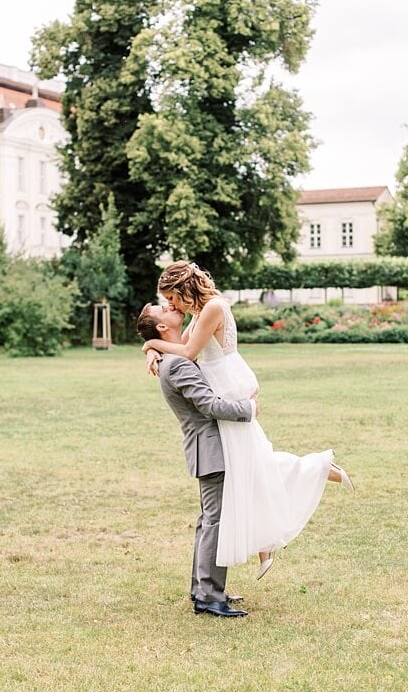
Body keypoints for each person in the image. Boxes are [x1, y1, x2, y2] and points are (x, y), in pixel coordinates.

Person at [138, 261, 353, 581]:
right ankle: (268, 541)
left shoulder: (212, 308)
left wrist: (153, 344)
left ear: (185, 289)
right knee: (250, 464)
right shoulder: (199, 311)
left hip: (227, 386)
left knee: (250, 465)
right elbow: (181, 346)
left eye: (172, 298)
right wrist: (152, 349)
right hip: (221, 384)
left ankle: (317, 469)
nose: (172, 305)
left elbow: (189, 351)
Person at [145, 305, 255, 617]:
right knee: (215, 522)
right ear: (163, 328)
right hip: (210, 447)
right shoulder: (178, 365)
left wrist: (150, 347)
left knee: (209, 520)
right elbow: (209, 405)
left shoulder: (175, 356)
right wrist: (248, 408)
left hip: (208, 447)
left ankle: (202, 589)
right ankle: (209, 596)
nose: (169, 306)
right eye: (162, 309)